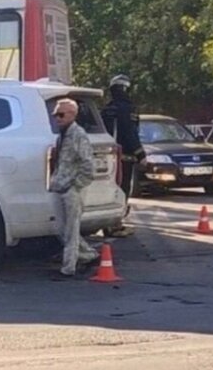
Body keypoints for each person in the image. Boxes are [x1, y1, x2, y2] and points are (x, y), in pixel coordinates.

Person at [49, 98, 99, 277]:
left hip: (71, 189)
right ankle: (89, 255)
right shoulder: (62, 135)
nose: (57, 118)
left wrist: (75, 186)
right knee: (62, 229)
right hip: (59, 186)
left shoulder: (78, 134)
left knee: (70, 230)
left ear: (72, 114)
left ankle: (68, 267)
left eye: (61, 115)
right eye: (55, 115)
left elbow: (88, 165)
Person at [101, 74, 145, 238]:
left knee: (110, 189)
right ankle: (116, 224)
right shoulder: (128, 109)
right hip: (125, 156)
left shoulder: (107, 109)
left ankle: (109, 223)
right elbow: (130, 132)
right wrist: (141, 153)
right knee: (123, 188)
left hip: (108, 156)